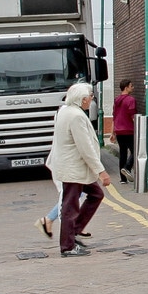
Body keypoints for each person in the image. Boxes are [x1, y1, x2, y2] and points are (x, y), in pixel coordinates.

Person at [46, 82, 110, 257]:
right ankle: (67, 246)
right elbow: (85, 147)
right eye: (90, 96)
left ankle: (73, 233)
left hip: (75, 169)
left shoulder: (64, 111)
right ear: (82, 99)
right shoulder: (76, 116)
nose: (91, 99)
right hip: (74, 169)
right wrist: (101, 171)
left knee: (96, 194)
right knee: (70, 206)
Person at [110, 79, 138, 183]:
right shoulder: (131, 100)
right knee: (136, 151)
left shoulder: (116, 100)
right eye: (131, 86)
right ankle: (127, 168)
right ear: (126, 87)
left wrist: (112, 132)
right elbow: (133, 117)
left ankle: (123, 179)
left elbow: (114, 116)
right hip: (129, 130)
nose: (133, 87)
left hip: (119, 131)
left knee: (123, 153)